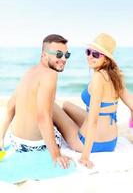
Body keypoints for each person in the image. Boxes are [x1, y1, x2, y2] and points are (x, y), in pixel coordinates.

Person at [53, 33, 133, 169]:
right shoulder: (117, 76)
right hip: (111, 142)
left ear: (106, 60)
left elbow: (94, 120)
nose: (90, 56)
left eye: (96, 54)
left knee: (52, 107)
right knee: (66, 105)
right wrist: (131, 126)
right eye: (88, 52)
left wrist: (85, 156)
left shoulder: (98, 78)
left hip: (90, 143)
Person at [0, 34, 71, 169]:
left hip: (16, 143)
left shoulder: (29, 72)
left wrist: (0, 137)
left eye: (66, 55)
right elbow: (42, 117)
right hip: (36, 146)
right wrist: (56, 155)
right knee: (57, 113)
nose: (63, 59)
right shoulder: (50, 74)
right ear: (44, 55)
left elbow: (10, 106)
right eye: (58, 54)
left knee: (49, 105)